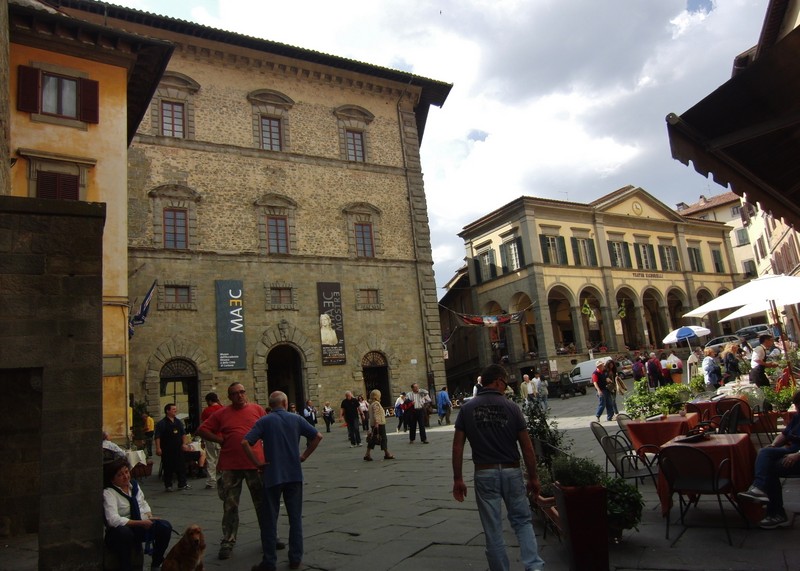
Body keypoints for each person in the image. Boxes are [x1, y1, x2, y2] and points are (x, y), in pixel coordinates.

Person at [452, 364, 545, 571]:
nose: (505, 387)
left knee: (492, 530)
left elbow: (457, 447)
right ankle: (535, 567)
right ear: (497, 381)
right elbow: (527, 447)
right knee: (522, 522)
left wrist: (458, 479)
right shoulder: (511, 407)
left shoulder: (467, 409)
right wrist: (533, 477)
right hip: (512, 471)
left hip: (484, 473)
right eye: (504, 383)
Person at [196, 383, 277, 561]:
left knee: (262, 503)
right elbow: (202, 429)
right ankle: (228, 540)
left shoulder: (257, 409)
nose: (240, 396)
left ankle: (269, 537)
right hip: (230, 466)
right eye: (235, 393)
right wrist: (219, 439)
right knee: (230, 505)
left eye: (242, 392)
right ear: (229, 397)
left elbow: (268, 431)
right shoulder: (222, 413)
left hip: (255, 464)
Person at [243, 391, 322, 571]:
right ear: (285, 403)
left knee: (269, 519)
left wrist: (257, 463)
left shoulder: (264, 420)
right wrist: (303, 456)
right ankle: (295, 559)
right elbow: (318, 436)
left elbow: (245, 442)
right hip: (294, 474)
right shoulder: (296, 419)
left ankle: (269, 562)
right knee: (295, 519)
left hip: (272, 475)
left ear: (271, 405)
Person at [738, 390, 800, 528]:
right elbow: (784, 435)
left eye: (798, 405)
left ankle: (774, 510)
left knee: (769, 467)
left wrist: (797, 455)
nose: (796, 409)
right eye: (796, 405)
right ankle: (761, 492)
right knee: (765, 452)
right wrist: (773, 445)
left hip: (796, 456)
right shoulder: (797, 417)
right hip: (790, 451)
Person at [103, 457, 173, 571]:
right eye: (120, 475)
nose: (125, 477)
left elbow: (142, 504)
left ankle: (156, 562)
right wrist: (139, 523)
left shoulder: (134, 486)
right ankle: (126, 566)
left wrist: (149, 516)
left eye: (126, 472)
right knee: (125, 533)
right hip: (119, 532)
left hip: (139, 525)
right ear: (112, 479)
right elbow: (113, 519)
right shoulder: (109, 493)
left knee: (165, 527)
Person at [154, 403, 190, 492]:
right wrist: (158, 448)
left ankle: (182, 484)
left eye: (175, 409)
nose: (175, 411)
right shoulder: (161, 423)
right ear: (167, 411)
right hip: (167, 449)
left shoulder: (178, 422)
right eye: (173, 409)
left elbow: (183, 434)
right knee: (168, 467)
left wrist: (184, 444)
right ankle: (168, 485)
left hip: (178, 448)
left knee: (181, 466)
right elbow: (157, 437)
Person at [200, 392, 224, 490]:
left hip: (210, 437)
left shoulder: (206, 411)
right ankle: (224, 479)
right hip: (221, 437)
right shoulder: (223, 409)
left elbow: (203, 426)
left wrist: (202, 439)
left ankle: (211, 481)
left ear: (209, 401)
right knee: (222, 459)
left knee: (211, 459)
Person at [363, 389, 395, 461]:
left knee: (373, 439)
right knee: (383, 438)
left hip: (374, 424)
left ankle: (367, 454)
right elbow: (376, 413)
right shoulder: (376, 404)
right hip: (379, 424)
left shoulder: (371, 404)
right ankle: (387, 453)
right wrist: (377, 422)